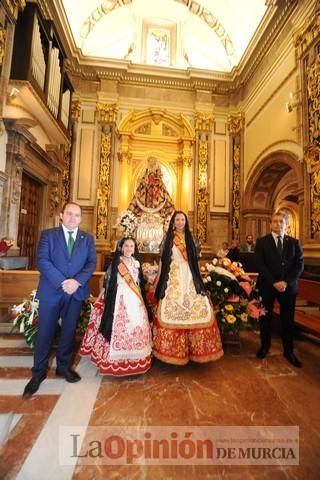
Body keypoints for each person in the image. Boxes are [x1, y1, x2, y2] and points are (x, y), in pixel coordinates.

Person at [23, 202, 97, 398]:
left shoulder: (87, 238)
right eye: (69, 214)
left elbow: (91, 263)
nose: (73, 218)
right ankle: (37, 374)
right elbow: (42, 261)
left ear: (81, 218)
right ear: (61, 215)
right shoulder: (49, 235)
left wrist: (77, 282)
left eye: (77, 215)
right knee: (45, 332)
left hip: (75, 292)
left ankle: (63, 367)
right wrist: (63, 282)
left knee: (69, 332)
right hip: (52, 291)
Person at [153, 211, 223, 365]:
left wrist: (199, 278)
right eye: (177, 219)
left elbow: (196, 261)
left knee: (196, 307)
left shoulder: (193, 238)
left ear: (186, 221)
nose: (179, 222)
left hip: (190, 275)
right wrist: (158, 279)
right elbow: (163, 260)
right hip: (173, 275)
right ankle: (171, 349)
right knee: (171, 307)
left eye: (182, 219)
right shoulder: (168, 239)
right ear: (173, 221)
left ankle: (196, 349)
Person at [80, 237, 152, 376]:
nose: (129, 248)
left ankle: (135, 358)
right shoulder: (116, 262)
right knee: (120, 324)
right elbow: (108, 281)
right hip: (120, 296)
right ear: (121, 247)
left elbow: (138, 282)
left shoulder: (137, 263)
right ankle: (114, 359)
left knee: (136, 324)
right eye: (126, 246)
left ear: (134, 248)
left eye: (131, 246)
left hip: (135, 298)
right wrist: (102, 295)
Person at [255, 211, 304, 368]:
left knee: (287, 320)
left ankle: (288, 350)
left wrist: (286, 282)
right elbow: (260, 265)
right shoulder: (262, 242)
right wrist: (274, 282)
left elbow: (299, 265)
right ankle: (265, 346)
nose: (277, 224)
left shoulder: (294, 243)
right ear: (270, 224)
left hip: (288, 288)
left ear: (285, 224)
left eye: (281, 222)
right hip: (267, 286)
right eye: (274, 221)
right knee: (265, 318)